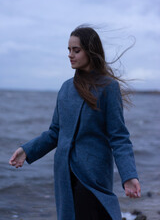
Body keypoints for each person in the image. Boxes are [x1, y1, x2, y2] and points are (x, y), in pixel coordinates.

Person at [9, 26, 141, 220]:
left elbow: (119, 136)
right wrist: (27, 150)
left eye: (76, 50)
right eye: (69, 50)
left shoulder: (108, 87)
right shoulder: (65, 89)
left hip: (92, 175)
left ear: (90, 51)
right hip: (64, 173)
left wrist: (129, 176)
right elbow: (55, 132)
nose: (70, 55)